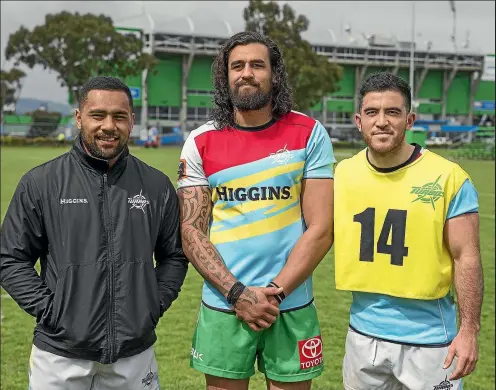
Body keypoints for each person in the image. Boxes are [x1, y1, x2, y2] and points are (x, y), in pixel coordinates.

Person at [0, 76, 188, 390]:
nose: (108, 126)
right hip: (60, 355)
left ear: (132, 120)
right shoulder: (41, 183)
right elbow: (11, 258)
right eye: (97, 115)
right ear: (79, 118)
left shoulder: (156, 186)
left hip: (134, 354)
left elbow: (174, 256)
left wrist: (152, 304)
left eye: (119, 116)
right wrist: (53, 312)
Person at [176, 31, 335, 390]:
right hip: (224, 304)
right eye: (237, 66)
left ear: (274, 74)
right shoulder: (201, 140)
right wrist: (238, 294)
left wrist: (274, 293)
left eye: (257, 65)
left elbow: (322, 228)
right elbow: (191, 231)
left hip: (290, 304)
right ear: (225, 76)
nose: (246, 73)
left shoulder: (309, 132)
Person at [334, 72, 484, 390]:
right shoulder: (342, 174)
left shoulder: (449, 178)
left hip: (431, 342)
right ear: (359, 121)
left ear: (410, 119)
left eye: (393, 112)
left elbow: (466, 256)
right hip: (362, 335)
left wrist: (469, 330)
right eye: (372, 112)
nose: (382, 122)